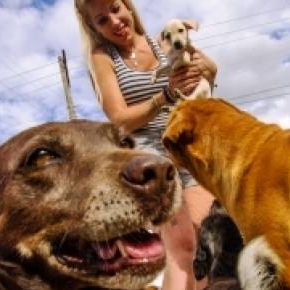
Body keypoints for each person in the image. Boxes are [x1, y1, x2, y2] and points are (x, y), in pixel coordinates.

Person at [74, 1, 217, 289]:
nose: (114, 21)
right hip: (151, 153)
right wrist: (164, 95)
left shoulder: (165, 40)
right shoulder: (103, 57)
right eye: (102, 20)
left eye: (116, 9)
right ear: (93, 27)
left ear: (128, 6)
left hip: (188, 144)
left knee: (205, 244)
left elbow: (201, 82)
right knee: (182, 244)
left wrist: (210, 70)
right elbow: (119, 121)